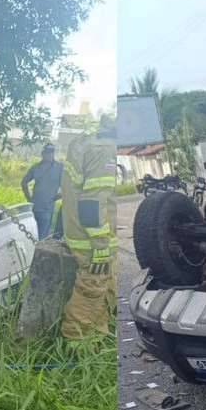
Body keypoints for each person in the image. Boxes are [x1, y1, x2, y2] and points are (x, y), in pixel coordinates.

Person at [60, 131, 117, 340]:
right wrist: (101, 245)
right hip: (92, 240)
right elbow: (92, 203)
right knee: (93, 287)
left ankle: (96, 339)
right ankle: (77, 344)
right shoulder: (105, 150)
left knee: (101, 291)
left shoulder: (86, 141)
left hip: (80, 232)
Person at [21, 143, 63, 239]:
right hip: (35, 207)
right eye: (47, 152)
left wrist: (61, 194)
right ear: (43, 154)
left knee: (42, 236)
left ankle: (38, 252)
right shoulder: (36, 167)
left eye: (52, 152)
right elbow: (24, 182)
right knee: (31, 234)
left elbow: (67, 182)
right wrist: (28, 199)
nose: (50, 155)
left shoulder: (59, 167)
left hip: (48, 208)